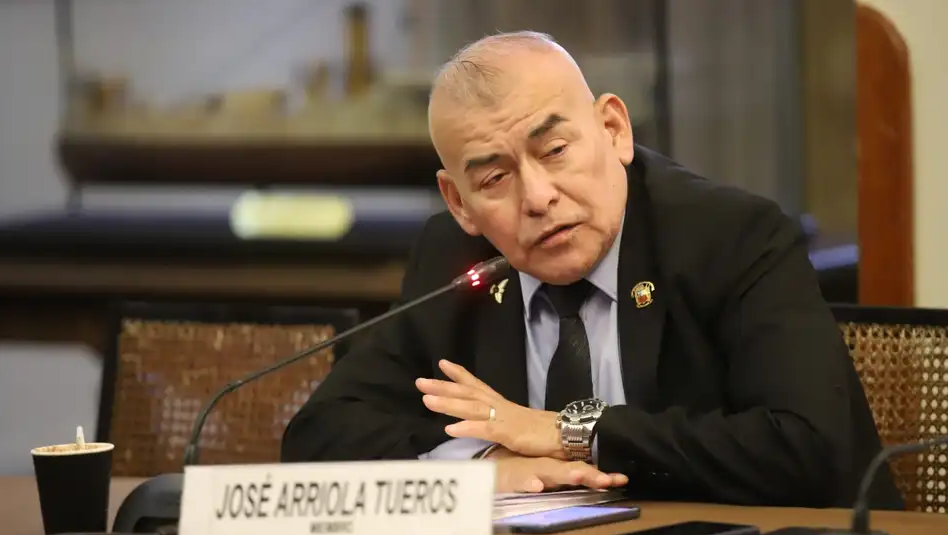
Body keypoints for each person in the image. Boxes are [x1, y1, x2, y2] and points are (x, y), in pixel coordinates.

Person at [281, 31, 902, 509]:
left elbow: (807, 447)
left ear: (613, 130)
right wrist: (479, 465)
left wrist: (569, 433)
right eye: (494, 178)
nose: (538, 197)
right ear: (459, 203)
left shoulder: (731, 237)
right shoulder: (455, 260)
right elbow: (319, 438)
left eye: (555, 151)